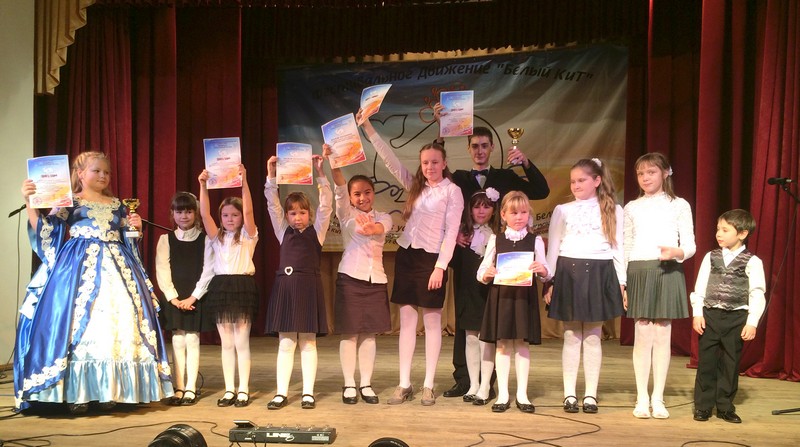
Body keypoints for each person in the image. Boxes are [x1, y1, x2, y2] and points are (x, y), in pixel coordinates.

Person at [14, 151, 173, 414]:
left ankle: (110, 390)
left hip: (118, 264)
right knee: (80, 323)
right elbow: (47, 232)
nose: (103, 176)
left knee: (119, 320)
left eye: (106, 172)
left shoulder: (118, 204)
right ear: (80, 174)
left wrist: (135, 229)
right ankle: (79, 392)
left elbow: (128, 238)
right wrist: (30, 201)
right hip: (77, 265)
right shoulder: (69, 201)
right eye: (96, 171)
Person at [434, 103, 550, 399]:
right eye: (475, 146)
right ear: (468, 148)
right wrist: (441, 131)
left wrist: (525, 162)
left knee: (496, 317)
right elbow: (436, 176)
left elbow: (541, 191)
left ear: (492, 147)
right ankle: (464, 379)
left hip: (503, 256)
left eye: (484, 145)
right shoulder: (459, 178)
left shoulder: (505, 176)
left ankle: (492, 380)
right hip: (466, 256)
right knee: (466, 319)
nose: (480, 151)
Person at [361, 112, 464, 406]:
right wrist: (367, 127)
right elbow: (389, 159)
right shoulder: (415, 186)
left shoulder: (453, 191)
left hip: (432, 260)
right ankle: (404, 383)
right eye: (425, 163)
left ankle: (428, 385)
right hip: (407, 255)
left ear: (444, 163)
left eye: (435, 162)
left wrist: (440, 267)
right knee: (407, 322)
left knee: (432, 322)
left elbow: (451, 233)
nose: (430, 167)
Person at [544, 158, 625, 414]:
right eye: (573, 181)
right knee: (571, 334)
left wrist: (622, 282)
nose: (576, 185)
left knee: (592, 336)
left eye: (582, 180)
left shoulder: (614, 209)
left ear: (597, 180)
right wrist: (549, 281)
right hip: (568, 272)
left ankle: (590, 394)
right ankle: (569, 393)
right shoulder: (563, 210)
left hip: (600, 272)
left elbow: (618, 248)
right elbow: (553, 248)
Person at [624, 152, 696, 419]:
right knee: (642, 332)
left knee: (662, 333)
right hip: (639, 270)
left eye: (651, 172)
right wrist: (623, 282)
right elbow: (626, 246)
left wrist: (677, 253)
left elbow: (690, 244)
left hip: (667, 270)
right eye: (640, 173)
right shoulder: (631, 207)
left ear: (666, 173)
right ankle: (642, 397)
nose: (645, 178)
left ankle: (658, 397)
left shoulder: (679, 205)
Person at [323, 145, 393, 405]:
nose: (362, 197)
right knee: (350, 334)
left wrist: (373, 227)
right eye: (357, 194)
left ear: (373, 193)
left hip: (376, 280)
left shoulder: (383, 216)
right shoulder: (345, 214)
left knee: (369, 334)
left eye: (366, 192)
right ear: (351, 197)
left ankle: (366, 383)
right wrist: (333, 159)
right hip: (350, 279)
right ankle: (349, 384)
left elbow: (383, 226)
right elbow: (339, 186)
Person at [263, 154, 333, 410]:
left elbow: (327, 206)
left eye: (302, 212)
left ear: (309, 213)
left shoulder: (317, 232)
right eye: (292, 213)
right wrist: (271, 176)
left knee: (308, 341)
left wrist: (321, 174)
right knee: (286, 342)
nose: (297, 217)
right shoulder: (283, 231)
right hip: (286, 287)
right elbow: (272, 205)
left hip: (308, 287)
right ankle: (281, 393)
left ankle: (307, 393)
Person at [476, 191, 550, 413]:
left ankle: (522, 395)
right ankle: (503, 395)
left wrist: (542, 270)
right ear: (503, 215)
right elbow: (481, 271)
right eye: (514, 213)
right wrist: (487, 273)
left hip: (524, 298)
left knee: (522, 344)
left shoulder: (535, 240)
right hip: (502, 297)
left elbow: (546, 272)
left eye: (523, 212)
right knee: (502, 345)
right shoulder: (496, 239)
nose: (519, 217)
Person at [690, 209, 765, 423]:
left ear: (742, 233)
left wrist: (752, 322)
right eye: (718, 229)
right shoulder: (711, 257)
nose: (719, 234)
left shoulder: (752, 261)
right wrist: (698, 313)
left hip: (736, 318)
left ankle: (725, 406)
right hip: (710, 315)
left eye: (725, 230)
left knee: (731, 362)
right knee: (707, 362)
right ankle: (703, 406)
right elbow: (700, 287)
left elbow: (757, 293)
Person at [197, 164, 258, 408]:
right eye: (225, 215)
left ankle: (243, 389)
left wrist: (244, 182)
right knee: (227, 343)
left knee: (241, 342)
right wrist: (203, 186)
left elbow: (250, 210)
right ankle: (230, 389)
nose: (230, 219)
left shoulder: (248, 235)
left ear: (241, 217)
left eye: (234, 215)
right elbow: (204, 214)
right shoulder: (217, 237)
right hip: (221, 287)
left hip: (242, 286)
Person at [155, 192, 215, 406]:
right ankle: (178, 386)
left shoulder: (205, 239)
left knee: (192, 338)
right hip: (175, 296)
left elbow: (209, 270)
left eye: (189, 211)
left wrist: (194, 297)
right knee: (178, 339)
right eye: (179, 212)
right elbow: (162, 269)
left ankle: (190, 387)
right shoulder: (166, 239)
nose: (184, 216)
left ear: (196, 213)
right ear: (172, 214)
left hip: (195, 296)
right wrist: (173, 298)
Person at [450, 188, 499, 404]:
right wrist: (454, 241)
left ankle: (486, 384)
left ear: (494, 209)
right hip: (467, 291)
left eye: (486, 206)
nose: (481, 211)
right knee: (470, 338)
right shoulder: (462, 234)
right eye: (477, 206)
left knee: (486, 340)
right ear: (469, 210)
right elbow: (453, 263)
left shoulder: (499, 235)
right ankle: (473, 384)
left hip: (489, 292)